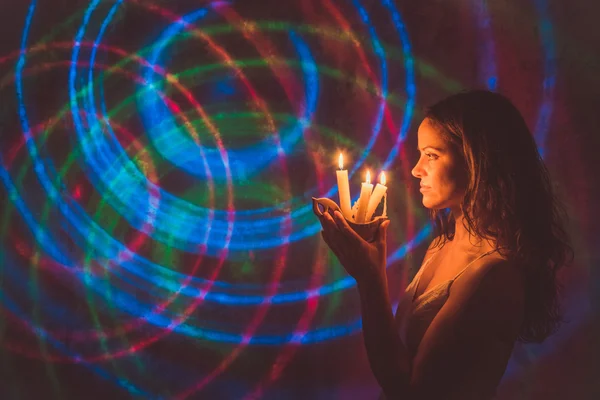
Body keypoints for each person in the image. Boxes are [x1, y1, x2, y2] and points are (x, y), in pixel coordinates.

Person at [317, 90, 573, 399]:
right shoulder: (441, 245)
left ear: (477, 161)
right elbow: (397, 352)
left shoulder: (494, 275)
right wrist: (370, 265)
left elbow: (410, 390)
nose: (416, 169)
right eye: (420, 153)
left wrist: (370, 279)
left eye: (432, 155)